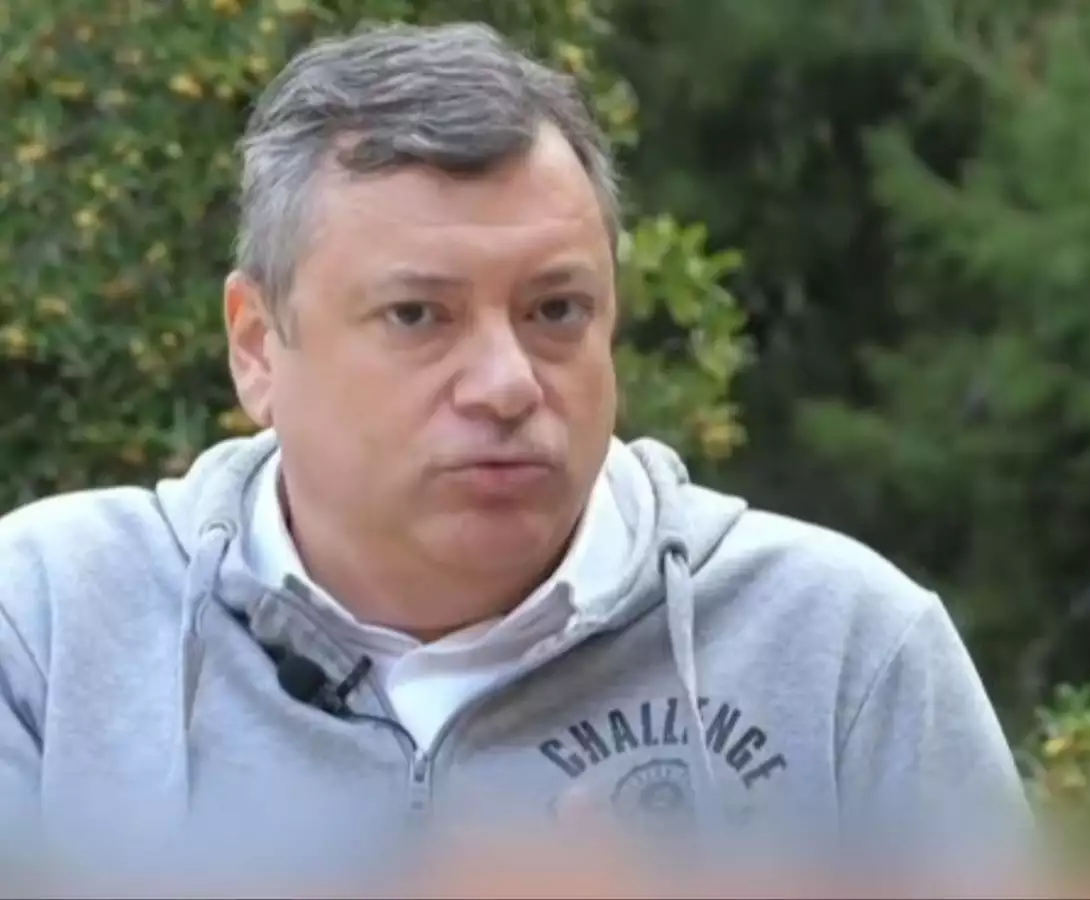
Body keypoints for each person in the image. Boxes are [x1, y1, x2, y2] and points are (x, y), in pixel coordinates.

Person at [0, 20, 1033, 894]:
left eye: (555, 311)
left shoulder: (841, 650)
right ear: (259, 345)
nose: (506, 383)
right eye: (419, 314)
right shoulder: (46, 626)